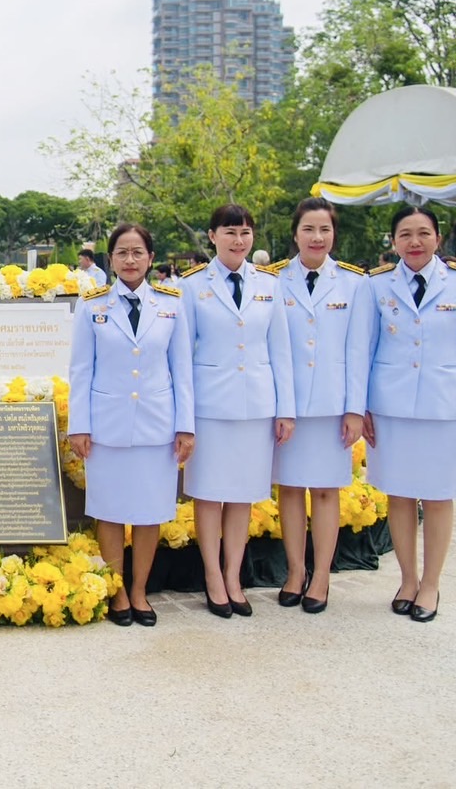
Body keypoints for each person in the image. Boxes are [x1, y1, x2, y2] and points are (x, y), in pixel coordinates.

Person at [364, 205, 456, 623]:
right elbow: (365, 349)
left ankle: (431, 584)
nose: (414, 242)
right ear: (394, 241)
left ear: (438, 238)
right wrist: (359, 406)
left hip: (444, 407)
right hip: (390, 406)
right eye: (405, 234)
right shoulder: (377, 285)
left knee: (437, 497)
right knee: (398, 495)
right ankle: (407, 580)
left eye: (422, 233)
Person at [66, 223, 193, 628]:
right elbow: (81, 371)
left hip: (158, 425)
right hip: (108, 426)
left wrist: (185, 427)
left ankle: (140, 591)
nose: (131, 260)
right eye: (122, 253)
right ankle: (117, 590)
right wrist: (79, 426)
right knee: (110, 511)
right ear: (111, 259)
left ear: (151, 259)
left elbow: (182, 370)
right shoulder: (93, 305)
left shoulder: (171, 304)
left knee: (149, 512)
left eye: (138, 252)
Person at [179, 203, 294, 619]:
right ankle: (212, 574)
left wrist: (287, 410)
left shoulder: (269, 284)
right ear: (212, 236)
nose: (238, 240)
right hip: (210, 405)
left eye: (245, 232)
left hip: (256, 405)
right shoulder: (192, 285)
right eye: (229, 232)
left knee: (243, 494)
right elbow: (181, 355)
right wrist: (183, 417)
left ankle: (233, 576)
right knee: (209, 494)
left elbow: (280, 351)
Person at [270, 197, 373, 616]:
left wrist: (355, 409)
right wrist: (280, 407)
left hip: (333, 407)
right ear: (295, 233)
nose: (317, 237)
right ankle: (296, 572)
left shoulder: (354, 283)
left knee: (327, 492)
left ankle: (323, 576)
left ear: (334, 234)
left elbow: (359, 350)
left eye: (325, 229)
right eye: (309, 229)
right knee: (291, 490)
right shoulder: (274, 281)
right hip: (289, 407)